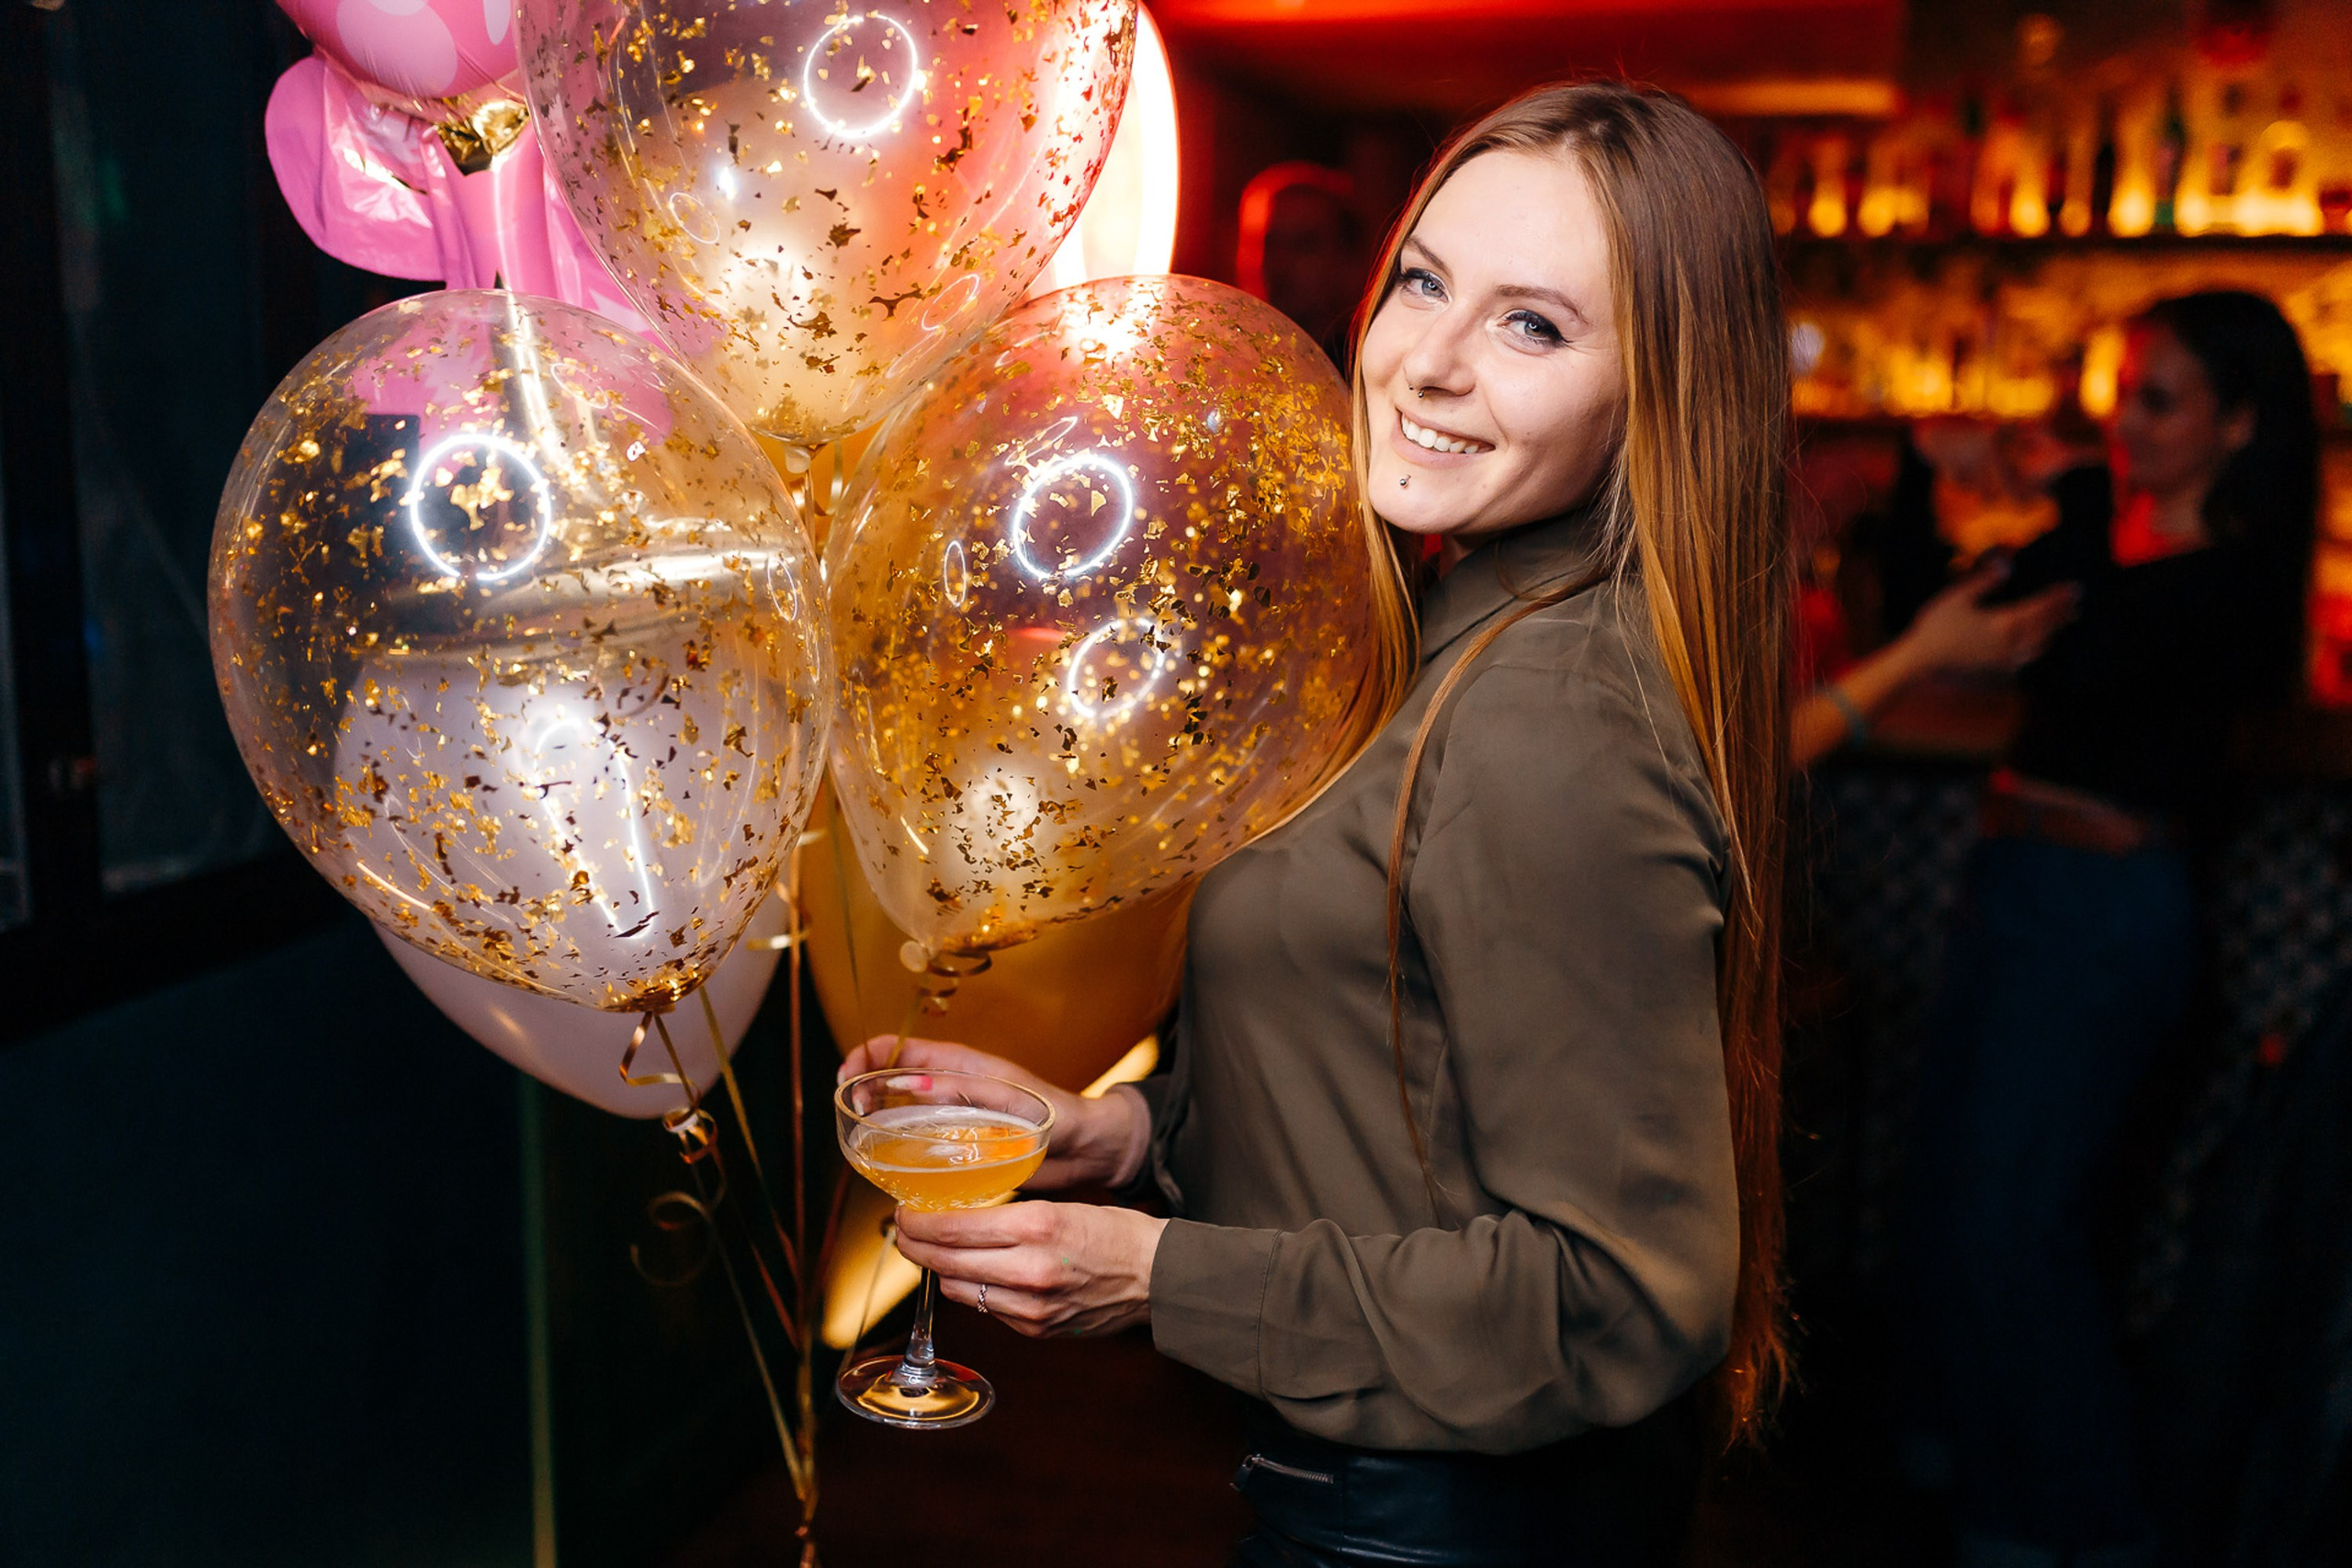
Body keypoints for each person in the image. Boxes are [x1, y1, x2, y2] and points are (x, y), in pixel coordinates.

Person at [842, 81, 1792, 1566]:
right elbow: (1399, 1088)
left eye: (1532, 326)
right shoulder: (1442, 619)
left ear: (1658, 393)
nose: (1430, 363)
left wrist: (1160, 1275)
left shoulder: (1549, 716)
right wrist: (1124, 1133)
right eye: (1423, 281)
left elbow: (1617, 1295)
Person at [1901, 290, 2319, 1568]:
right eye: (2121, 393)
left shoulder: (2232, 580)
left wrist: (2071, 491)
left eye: (2158, 398)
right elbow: (1941, 626)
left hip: (2103, 912)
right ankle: (1986, 1497)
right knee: (1951, 1200)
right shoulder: (2107, 547)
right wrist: (1933, 481)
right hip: (2015, 885)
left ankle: (2085, 1529)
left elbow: (2091, 653)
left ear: (2239, 424)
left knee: (2021, 1227)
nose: (2124, 422)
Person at [1236, 162, 1371, 371]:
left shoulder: (1363, 370)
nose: (1282, 261)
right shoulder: (1227, 357)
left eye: (1304, 244)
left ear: (1344, 258)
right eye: (1270, 243)